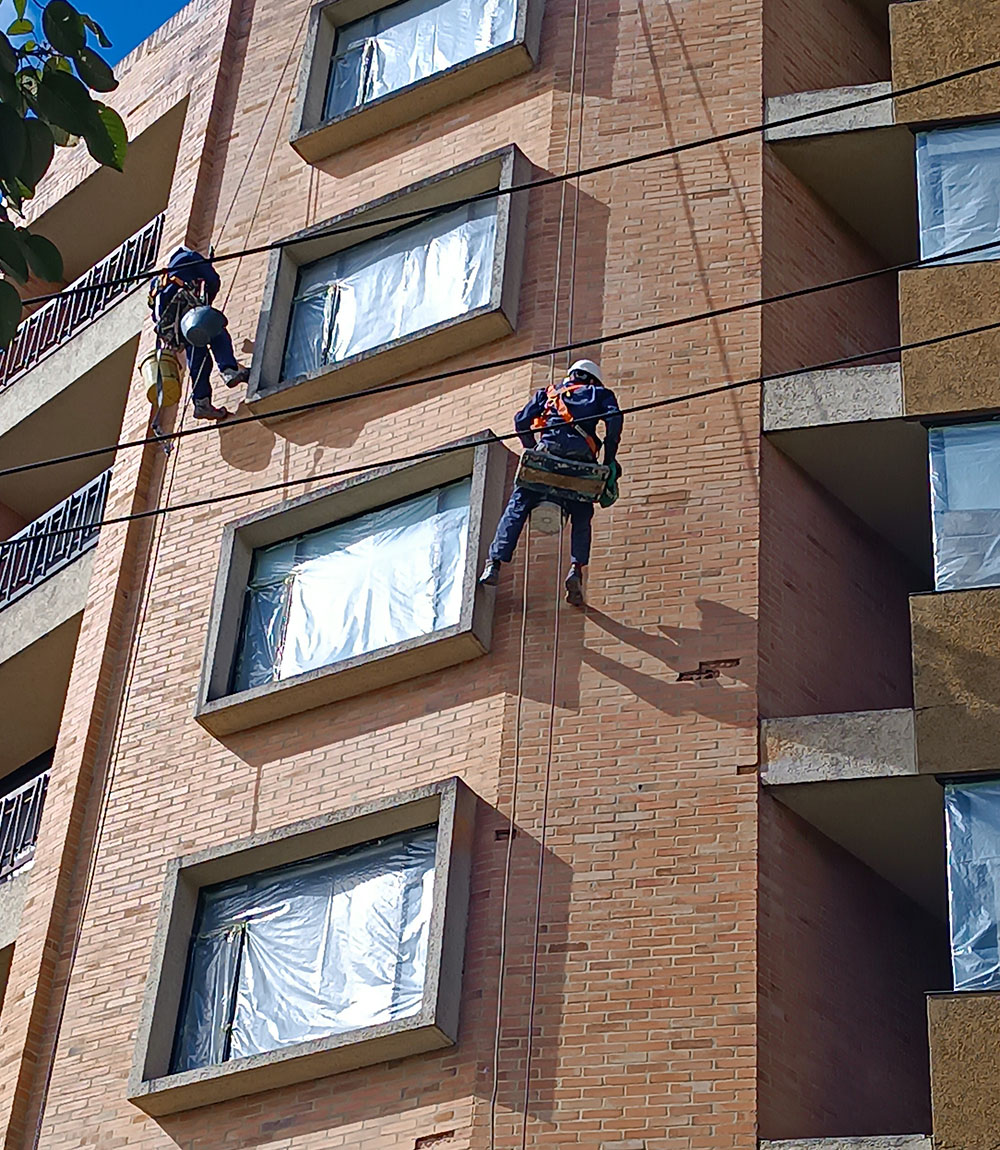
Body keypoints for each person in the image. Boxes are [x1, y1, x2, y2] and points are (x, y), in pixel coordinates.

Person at [479, 359, 624, 607]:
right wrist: (609, 459)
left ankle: (494, 563)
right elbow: (615, 420)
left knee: (519, 505)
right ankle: (576, 569)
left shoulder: (548, 393)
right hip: (581, 463)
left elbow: (520, 421)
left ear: (572, 376)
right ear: (592, 379)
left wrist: (533, 450)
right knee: (582, 514)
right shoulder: (600, 394)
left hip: (547, 455)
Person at [149, 246, 249, 421]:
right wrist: (206, 305)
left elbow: (155, 310)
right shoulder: (188, 256)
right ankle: (229, 370)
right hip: (185, 310)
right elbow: (213, 279)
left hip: (172, 323)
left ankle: (202, 402)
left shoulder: (159, 280)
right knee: (215, 328)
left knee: (198, 356)